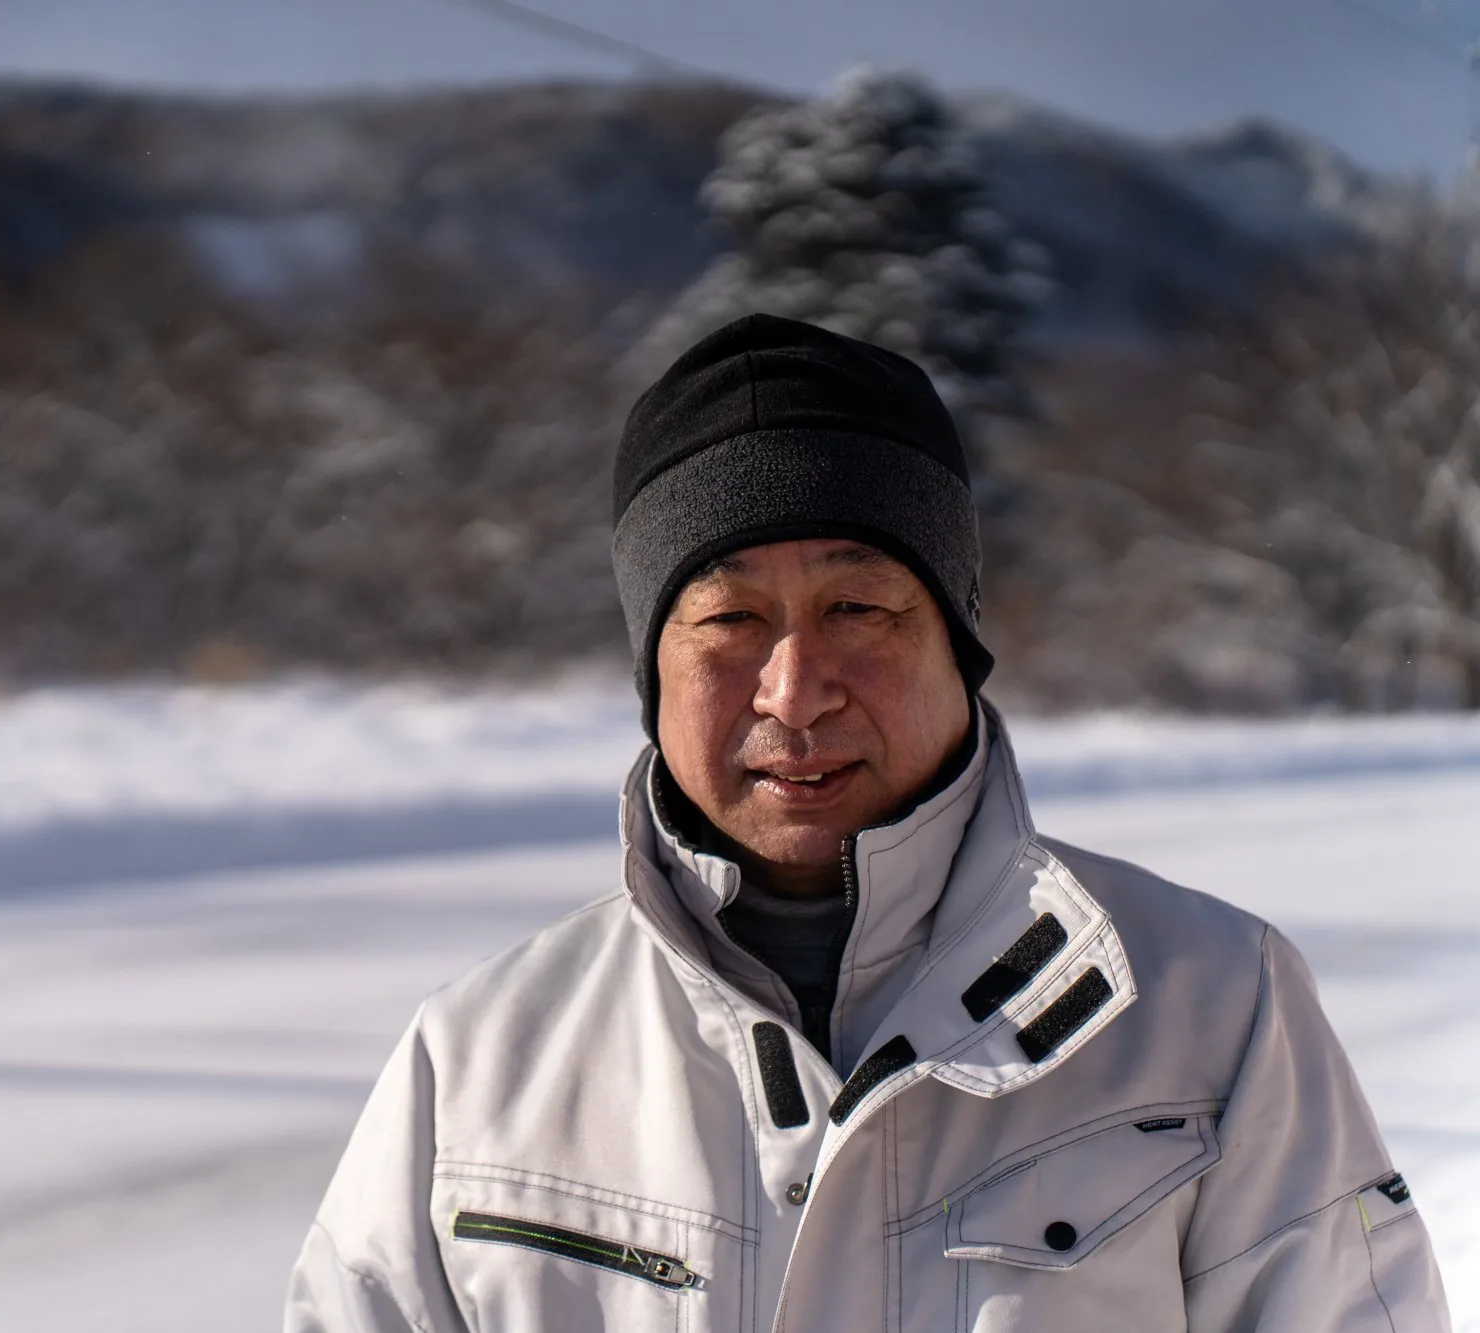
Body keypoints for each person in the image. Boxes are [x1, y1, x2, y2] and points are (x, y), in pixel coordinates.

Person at [283, 314, 1452, 1330]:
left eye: (858, 606)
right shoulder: (480, 1055)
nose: (794, 688)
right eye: (727, 618)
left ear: (957, 640)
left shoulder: (1211, 1005)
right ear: (653, 667)